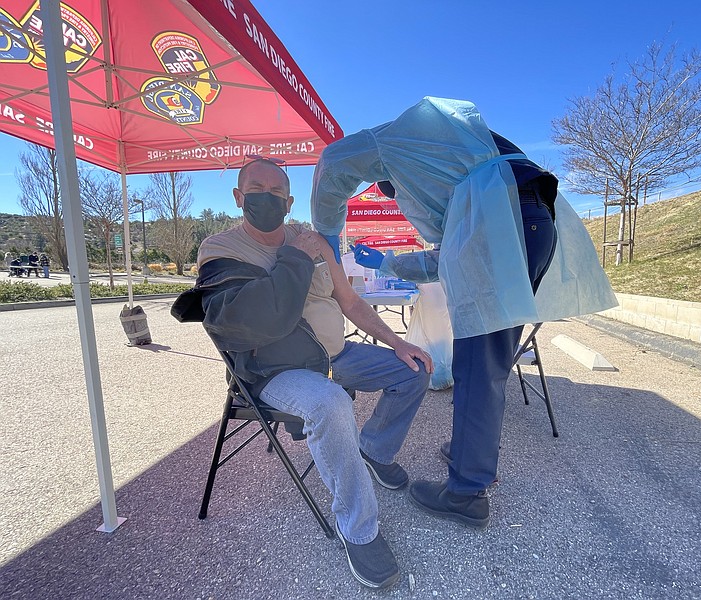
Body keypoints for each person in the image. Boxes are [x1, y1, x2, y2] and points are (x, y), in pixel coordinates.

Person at [310, 97, 617, 530]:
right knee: (488, 363)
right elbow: (449, 257)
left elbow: (333, 160)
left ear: (389, 174)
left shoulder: (396, 142)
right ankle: (469, 452)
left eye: (396, 193)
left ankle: (466, 493)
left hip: (505, 227)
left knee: (478, 367)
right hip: (531, 224)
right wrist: (387, 263)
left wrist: (326, 230)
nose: (405, 204)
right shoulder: (465, 161)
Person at [192, 158, 432, 589]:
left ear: (288, 202)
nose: (264, 197)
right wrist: (292, 258)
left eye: (275, 192)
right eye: (255, 187)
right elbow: (258, 319)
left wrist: (399, 343)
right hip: (275, 371)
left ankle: (373, 451)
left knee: (413, 370)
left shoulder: (316, 241)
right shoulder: (221, 249)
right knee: (329, 402)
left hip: (334, 357)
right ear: (238, 197)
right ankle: (359, 530)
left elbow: (351, 303)